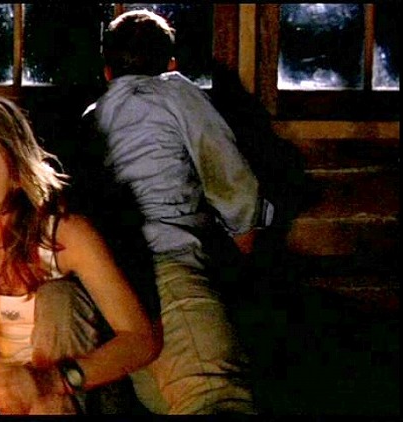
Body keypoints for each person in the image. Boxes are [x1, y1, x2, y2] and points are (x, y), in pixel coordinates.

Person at [74, 9, 274, 415]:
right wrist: (244, 247)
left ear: (107, 72)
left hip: (116, 281)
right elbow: (232, 182)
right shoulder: (175, 93)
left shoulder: (94, 116)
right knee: (216, 399)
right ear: (170, 64)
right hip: (170, 270)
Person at [0, 92, 161, 415]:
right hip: (2, 402)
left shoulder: (65, 234)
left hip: (79, 394)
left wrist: (51, 380)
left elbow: (142, 341)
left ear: (16, 172)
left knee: (58, 297)